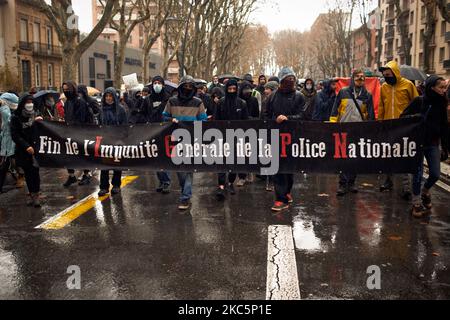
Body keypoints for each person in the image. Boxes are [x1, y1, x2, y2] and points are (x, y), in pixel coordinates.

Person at [401, 76, 449, 218]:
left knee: (435, 174)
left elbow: (444, 125)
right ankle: (416, 204)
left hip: (433, 143)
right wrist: (417, 117)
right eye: (440, 87)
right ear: (431, 87)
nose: (443, 90)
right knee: (417, 174)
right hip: (417, 143)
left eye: (444, 87)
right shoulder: (419, 101)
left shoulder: (442, 102)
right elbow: (403, 116)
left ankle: (425, 191)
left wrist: (445, 147)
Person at [162, 75, 208, 211]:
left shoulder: (198, 102)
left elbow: (204, 120)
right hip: (175, 140)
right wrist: (171, 120)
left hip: (191, 140)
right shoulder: (171, 101)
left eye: (190, 87)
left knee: (188, 170)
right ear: (181, 87)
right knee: (180, 170)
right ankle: (184, 190)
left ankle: (185, 197)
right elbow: (164, 117)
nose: (187, 89)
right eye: (185, 86)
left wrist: (195, 124)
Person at [264, 67, 305, 212]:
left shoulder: (299, 96)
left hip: (292, 138)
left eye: (292, 79)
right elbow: (265, 115)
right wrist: (274, 121)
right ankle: (280, 199)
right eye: (287, 79)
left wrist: (289, 118)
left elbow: (303, 116)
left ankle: (286, 192)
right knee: (277, 169)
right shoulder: (272, 97)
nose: (290, 82)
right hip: (275, 137)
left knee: (289, 168)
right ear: (281, 81)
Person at [330, 69, 375, 196]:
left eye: (362, 77)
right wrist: (332, 126)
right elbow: (335, 110)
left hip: (358, 131)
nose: (360, 79)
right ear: (352, 78)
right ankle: (342, 183)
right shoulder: (343, 92)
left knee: (355, 157)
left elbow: (370, 115)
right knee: (343, 157)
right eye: (357, 76)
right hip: (342, 129)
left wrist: (370, 130)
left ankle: (351, 182)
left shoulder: (367, 95)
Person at [378, 61, 419, 198]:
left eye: (388, 75)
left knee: (404, 156)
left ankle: (406, 188)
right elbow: (382, 107)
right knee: (388, 156)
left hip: (405, 127)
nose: (386, 77)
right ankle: (388, 181)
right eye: (384, 75)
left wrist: (414, 120)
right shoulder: (384, 87)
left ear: (395, 73)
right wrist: (380, 124)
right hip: (389, 127)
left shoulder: (408, 85)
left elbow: (417, 103)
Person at [214, 79, 249, 200]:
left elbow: (246, 121)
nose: (232, 91)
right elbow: (216, 119)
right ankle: (221, 185)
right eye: (230, 89)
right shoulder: (221, 103)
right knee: (222, 161)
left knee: (234, 162)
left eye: (234, 89)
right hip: (222, 137)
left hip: (237, 137)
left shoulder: (242, 103)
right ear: (226, 89)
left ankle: (230, 183)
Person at [10, 94, 43, 207]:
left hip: (35, 149)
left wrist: (40, 123)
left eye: (31, 102)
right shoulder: (16, 117)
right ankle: (32, 194)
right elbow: (15, 135)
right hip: (23, 150)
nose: (30, 104)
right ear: (23, 104)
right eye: (27, 102)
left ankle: (36, 195)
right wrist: (26, 146)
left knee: (35, 172)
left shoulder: (36, 114)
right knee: (28, 173)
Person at [61, 81, 93, 187]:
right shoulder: (67, 102)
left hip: (81, 132)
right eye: (64, 90)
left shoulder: (80, 101)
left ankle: (86, 174)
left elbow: (82, 119)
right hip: (70, 132)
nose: (66, 91)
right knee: (68, 154)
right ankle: (71, 176)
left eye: (67, 89)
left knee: (83, 154)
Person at [98, 87, 128, 197]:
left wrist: (122, 138)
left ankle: (116, 185)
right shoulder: (102, 109)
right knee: (104, 164)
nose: (108, 98)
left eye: (110, 96)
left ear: (114, 97)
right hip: (105, 140)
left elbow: (125, 125)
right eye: (106, 96)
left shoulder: (121, 110)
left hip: (117, 140)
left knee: (117, 163)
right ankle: (104, 187)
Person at [143, 75, 172, 193]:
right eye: (154, 83)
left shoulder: (169, 99)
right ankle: (162, 180)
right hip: (152, 131)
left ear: (163, 85)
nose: (157, 85)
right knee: (155, 158)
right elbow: (142, 113)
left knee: (165, 157)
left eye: (159, 83)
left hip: (165, 131)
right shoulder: (148, 99)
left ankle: (166, 181)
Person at [0, 93, 18, 193]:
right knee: (5, 165)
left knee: (14, 163)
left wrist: (3, 107)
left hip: (12, 143)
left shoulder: (9, 113)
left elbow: (8, 122)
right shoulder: (6, 111)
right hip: (7, 143)